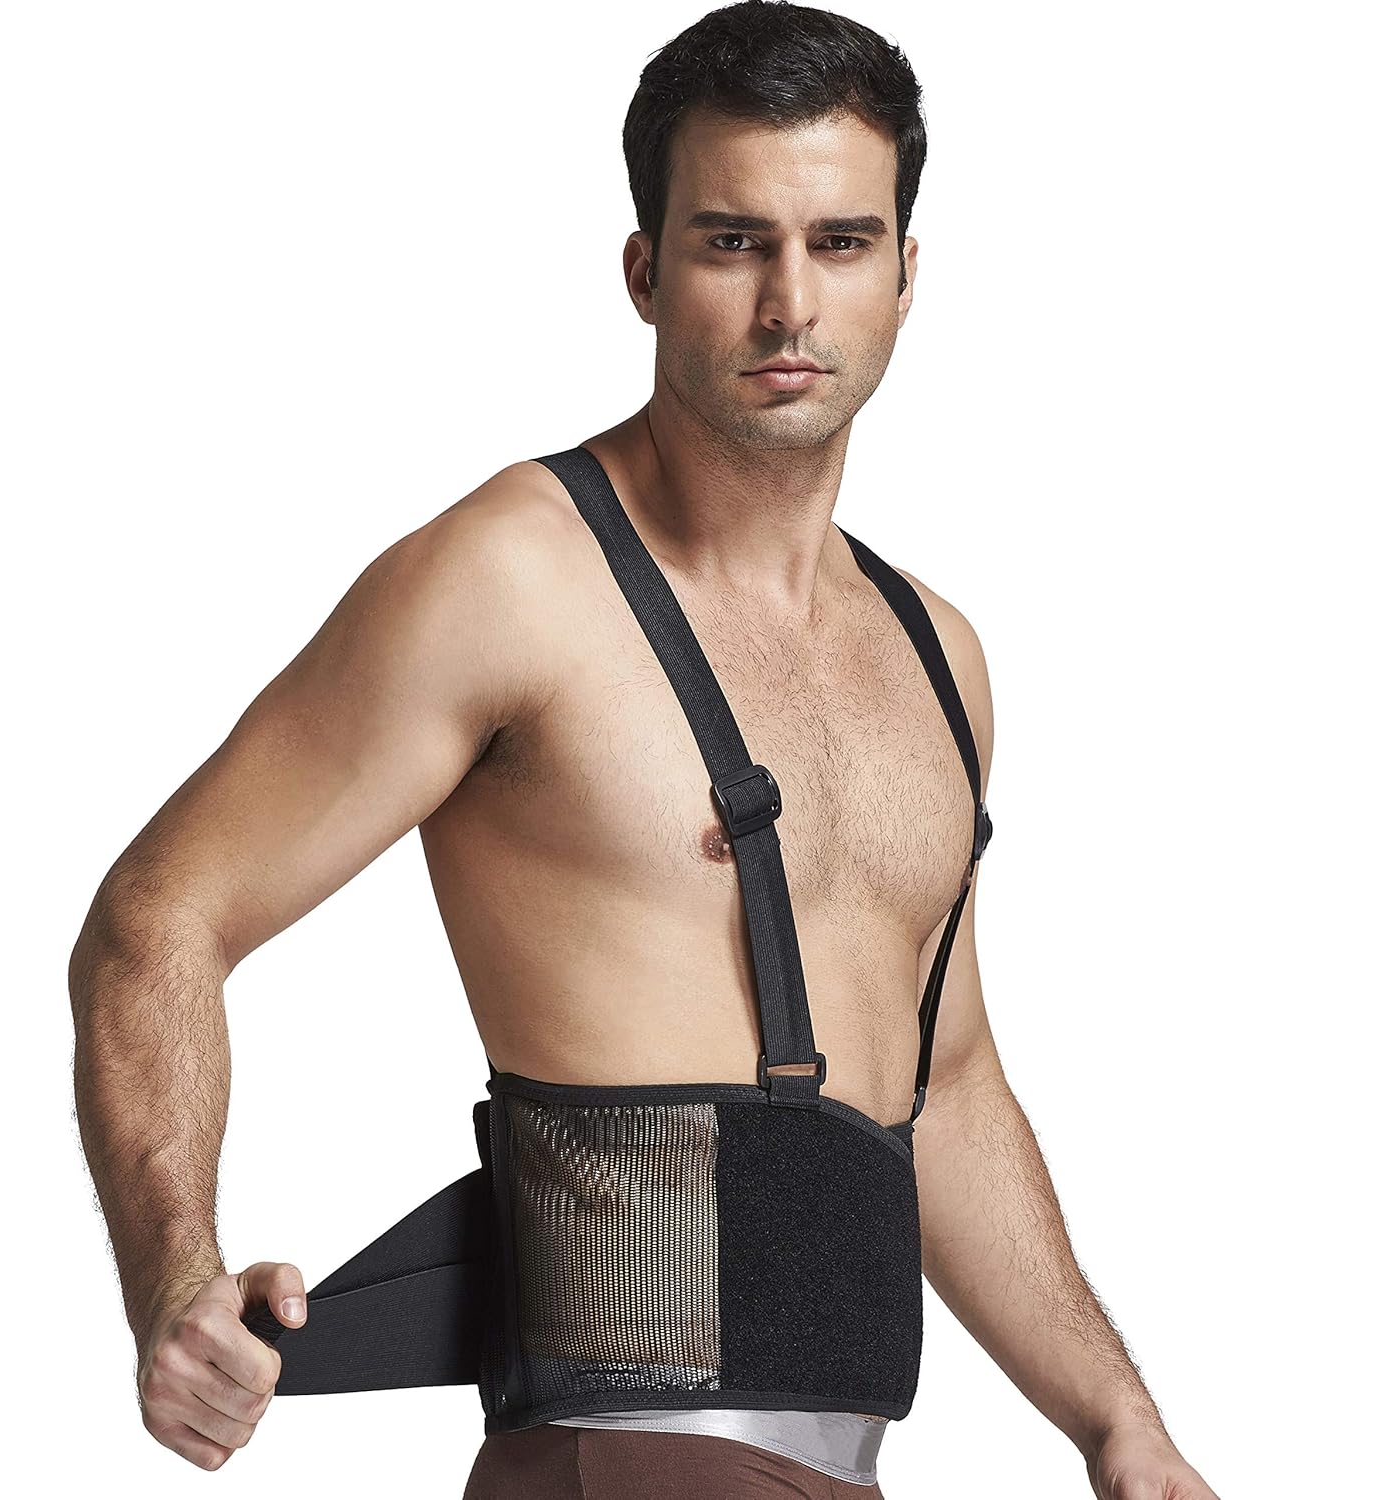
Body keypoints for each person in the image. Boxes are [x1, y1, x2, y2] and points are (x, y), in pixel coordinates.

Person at [69, 3, 1220, 1496]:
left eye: (842, 244)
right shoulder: (510, 583)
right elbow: (159, 915)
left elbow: (944, 1080)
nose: (790, 304)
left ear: (907, 275)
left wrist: (1117, 1420)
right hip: (619, 1458)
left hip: (839, 1470)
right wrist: (175, 1277)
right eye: (735, 244)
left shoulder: (939, 657)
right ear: (644, 271)